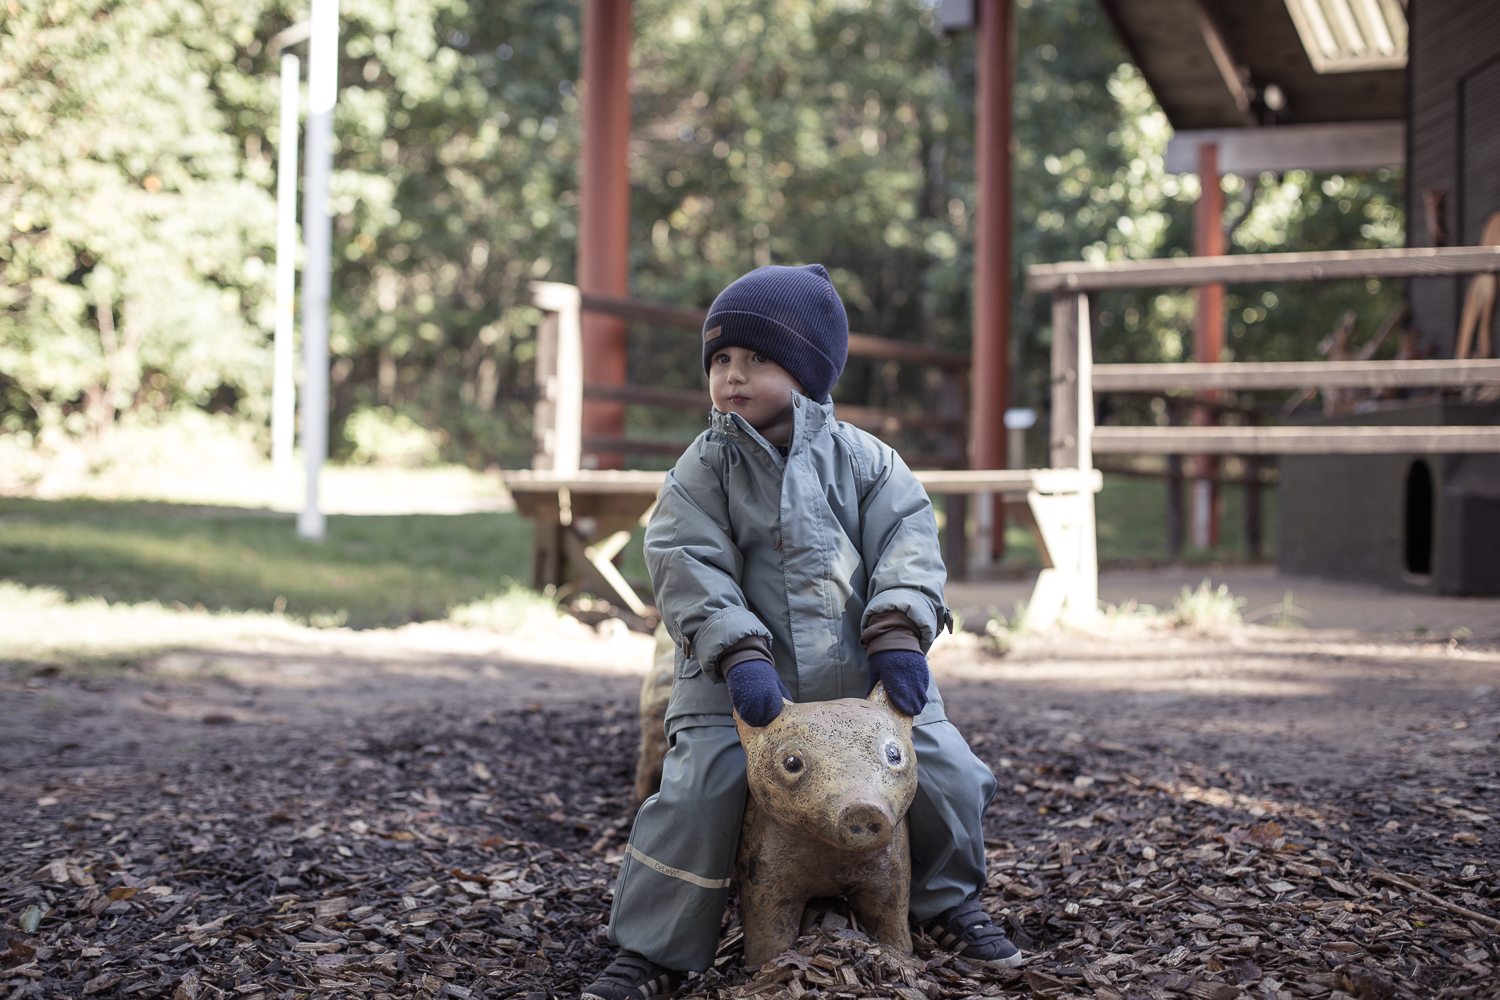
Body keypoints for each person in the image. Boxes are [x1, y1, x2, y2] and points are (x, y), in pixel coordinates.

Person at [581, 264, 1021, 1000]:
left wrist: (900, 633)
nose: (732, 375)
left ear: (810, 369)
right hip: (740, 684)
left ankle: (945, 901)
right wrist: (736, 652)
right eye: (720, 360)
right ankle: (655, 947)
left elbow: (911, 548)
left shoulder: (869, 462)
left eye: (757, 358)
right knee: (700, 789)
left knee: (945, 767)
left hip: (866, 678)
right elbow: (688, 565)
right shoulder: (702, 470)